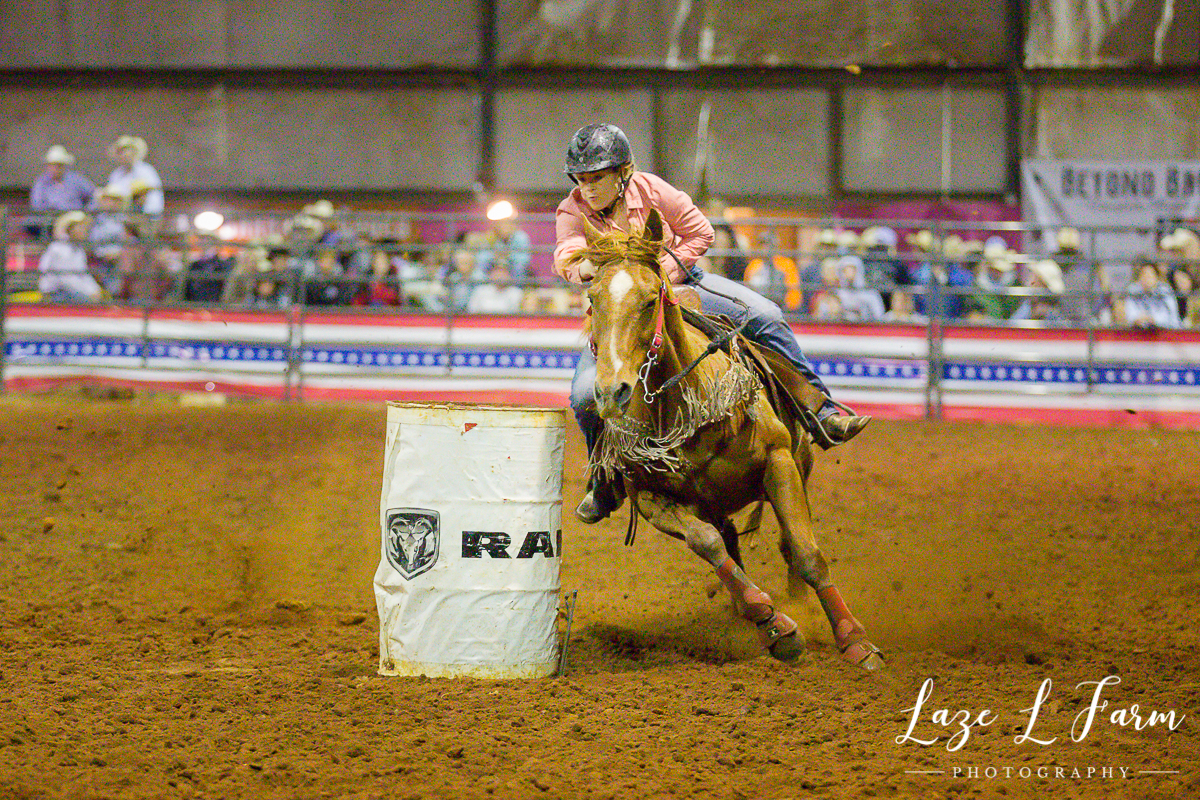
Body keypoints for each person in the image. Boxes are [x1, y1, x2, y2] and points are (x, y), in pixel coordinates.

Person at [553, 123, 869, 523]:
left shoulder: (652, 189)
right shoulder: (572, 209)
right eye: (581, 180)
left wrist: (663, 270)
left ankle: (819, 412)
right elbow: (567, 250)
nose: (588, 188)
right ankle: (604, 479)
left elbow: (700, 231)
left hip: (684, 279)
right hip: (623, 310)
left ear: (623, 172)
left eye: (597, 178)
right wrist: (580, 268)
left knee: (768, 316)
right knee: (584, 396)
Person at [38, 211, 104, 303]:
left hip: (72, 290)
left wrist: (95, 290)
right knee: (87, 301)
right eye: (80, 227)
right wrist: (89, 293)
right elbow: (66, 279)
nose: (84, 231)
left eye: (86, 228)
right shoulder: (58, 248)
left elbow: (83, 274)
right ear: (70, 229)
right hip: (56, 292)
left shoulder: (79, 250)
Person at [105, 136, 163, 215]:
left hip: (143, 217)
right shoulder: (116, 174)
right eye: (119, 152)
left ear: (134, 152)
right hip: (119, 218)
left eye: (125, 151)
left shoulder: (146, 171)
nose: (122, 155)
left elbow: (154, 199)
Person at [30, 146, 95, 214]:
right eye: (51, 166)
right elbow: (37, 205)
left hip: (73, 218)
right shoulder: (41, 182)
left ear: (64, 166)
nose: (54, 169)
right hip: (49, 218)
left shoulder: (76, 180)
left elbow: (93, 195)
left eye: (58, 166)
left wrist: (87, 213)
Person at [1121, 258, 1179, 330]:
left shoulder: (1165, 290)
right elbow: (1130, 315)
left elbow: (1170, 317)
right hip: (1139, 332)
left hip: (1165, 332)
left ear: (1156, 277)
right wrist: (1138, 319)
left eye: (1150, 274)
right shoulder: (1132, 290)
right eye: (1144, 274)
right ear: (1139, 277)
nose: (1147, 278)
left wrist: (1153, 319)